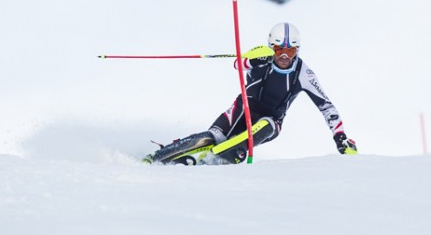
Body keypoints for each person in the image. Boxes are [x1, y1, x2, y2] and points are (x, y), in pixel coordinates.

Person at [143, 22, 357, 165]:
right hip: (241, 109)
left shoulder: (304, 74)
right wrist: (253, 60)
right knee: (211, 137)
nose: (284, 56)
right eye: (279, 50)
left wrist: (340, 138)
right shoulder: (261, 55)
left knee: (265, 124)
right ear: (271, 47)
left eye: (290, 51)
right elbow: (238, 64)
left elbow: (326, 106)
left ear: (297, 50)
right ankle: (159, 156)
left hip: (271, 121)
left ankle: (229, 152)